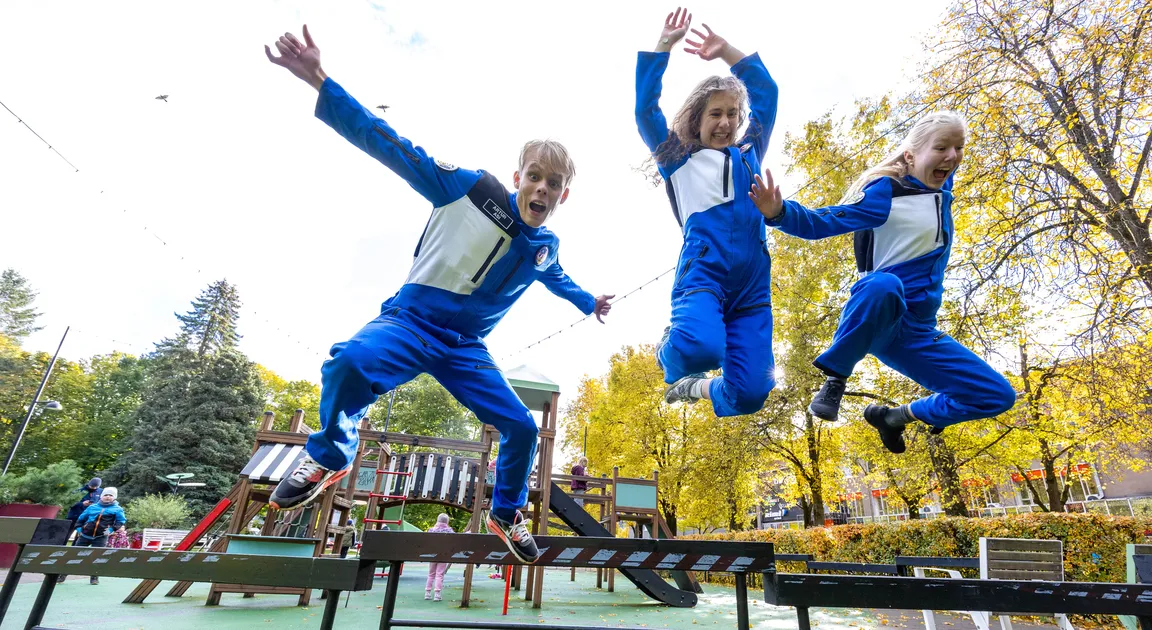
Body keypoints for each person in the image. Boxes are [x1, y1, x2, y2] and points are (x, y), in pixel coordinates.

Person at [263, 25, 613, 564]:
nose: (541, 190)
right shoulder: (466, 188)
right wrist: (319, 80)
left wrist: (590, 303)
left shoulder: (544, 245)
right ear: (517, 175)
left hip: (465, 348)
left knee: (520, 428)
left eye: (554, 184)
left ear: (565, 194)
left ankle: (505, 514)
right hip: (410, 321)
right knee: (348, 362)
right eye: (534, 177)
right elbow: (389, 144)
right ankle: (330, 455)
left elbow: (558, 277)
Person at [748, 111, 1017, 453]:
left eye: (959, 148)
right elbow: (825, 221)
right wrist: (779, 212)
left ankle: (894, 418)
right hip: (880, 315)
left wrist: (944, 145)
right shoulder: (886, 194)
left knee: (997, 395)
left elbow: (941, 170)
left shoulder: (940, 185)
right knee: (883, 284)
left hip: (917, 331)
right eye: (941, 148)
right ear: (910, 156)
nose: (952, 157)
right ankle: (836, 379)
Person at [635, 7, 779, 416]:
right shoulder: (677, 158)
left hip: (752, 288)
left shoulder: (749, 152)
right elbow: (646, 112)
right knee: (699, 347)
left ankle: (694, 389)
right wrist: (663, 45)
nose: (725, 122)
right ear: (697, 118)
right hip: (704, 275)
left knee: (752, 394)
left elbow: (767, 96)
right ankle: (671, 353)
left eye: (733, 114)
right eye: (715, 113)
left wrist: (728, 52)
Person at [66, 487, 126, 584]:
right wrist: (79, 528)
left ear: (114, 498)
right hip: (85, 535)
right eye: (106, 495)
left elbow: (121, 521)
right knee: (75, 555)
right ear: (101, 496)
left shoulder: (117, 509)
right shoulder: (92, 507)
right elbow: (81, 518)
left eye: (111, 495)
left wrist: (111, 529)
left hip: (101, 536)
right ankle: (63, 575)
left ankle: (94, 577)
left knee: (97, 557)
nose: (108, 497)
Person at [425, 514, 456, 601]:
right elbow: (455, 540)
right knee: (439, 574)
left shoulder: (431, 530)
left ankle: (427, 593)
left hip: (432, 555)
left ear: (437, 520)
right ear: (447, 522)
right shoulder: (449, 531)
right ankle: (437, 594)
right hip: (443, 555)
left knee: (431, 574)